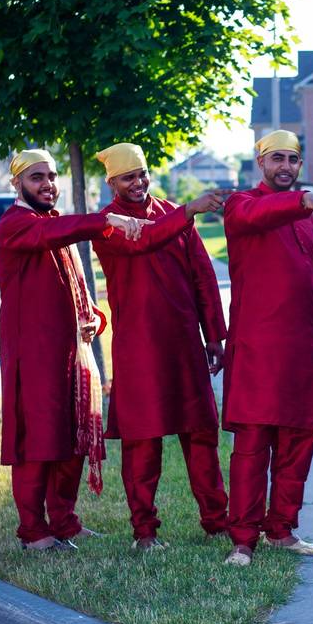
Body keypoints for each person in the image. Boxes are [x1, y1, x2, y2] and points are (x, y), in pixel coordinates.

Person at [0, 148, 149, 550]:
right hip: (34, 356)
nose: (47, 184)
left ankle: (64, 521)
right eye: (36, 177)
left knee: (71, 440)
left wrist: (93, 314)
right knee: (37, 444)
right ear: (16, 184)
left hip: (70, 353)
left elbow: (72, 281)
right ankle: (33, 531)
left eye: (52, 176)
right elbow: (51, 237)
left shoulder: (54, 222)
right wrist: (104, 220)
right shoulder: (14, 224)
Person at [221, 130, 313, 566]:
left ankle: (281, 529)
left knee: (299, 445)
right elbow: (256, 217)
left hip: (301, 354)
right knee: (252, 448)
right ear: (260, 163)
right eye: (277, 158)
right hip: (257, 351)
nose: (285, 166)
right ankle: (243, 540)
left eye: (293, 160)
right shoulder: (241, 204)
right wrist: (300, 201)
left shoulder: (307, 220)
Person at [92, 143, 231, 550]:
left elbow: (203, 276)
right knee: (142, 443)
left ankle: (216, 521)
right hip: (139, 349)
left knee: (201, 434)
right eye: (127, 177)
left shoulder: (171, 211)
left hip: (185, 343)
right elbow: (144, 241)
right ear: (112, 182)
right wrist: (188, 210)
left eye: (142, 174)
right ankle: (145, 532)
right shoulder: (108, 221)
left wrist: (214, 336)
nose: (138, 183)